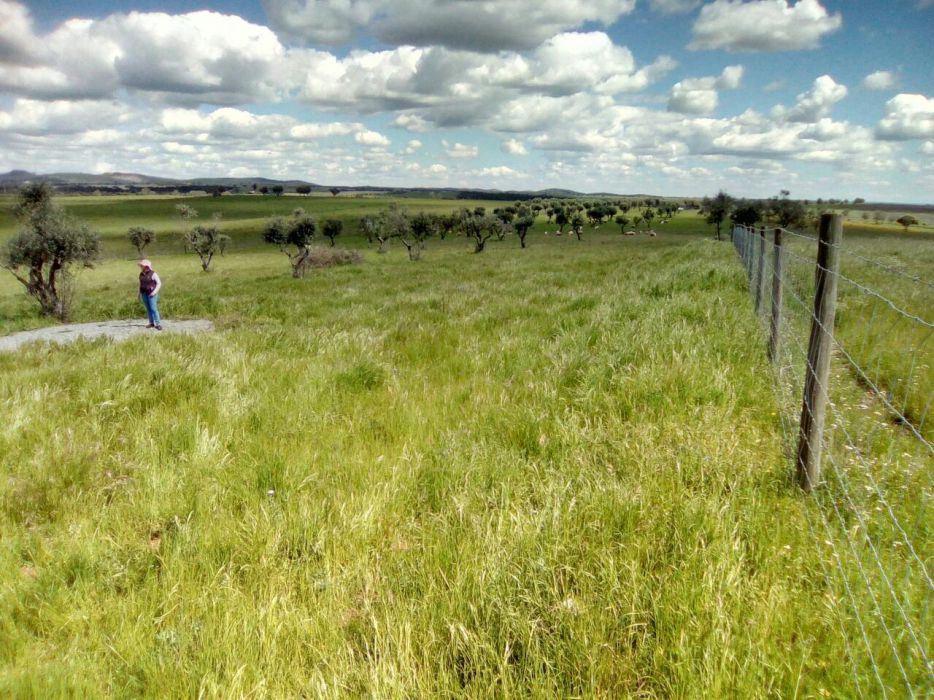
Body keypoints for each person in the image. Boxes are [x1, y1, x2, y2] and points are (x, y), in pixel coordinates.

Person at [138, 259, 162, 330]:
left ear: (146, 266)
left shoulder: (153, 274)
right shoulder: (141, 274)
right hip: (144, 293)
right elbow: (140, 284)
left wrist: (154, 292)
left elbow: (159, 283)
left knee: (153, 309)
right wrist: (139, 293)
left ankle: (158, 324)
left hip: (152, 294)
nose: (141, 267)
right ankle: (151, 323)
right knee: (148, 309)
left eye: (142, 266)